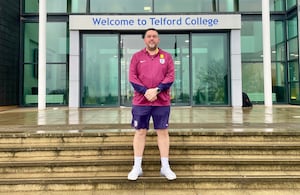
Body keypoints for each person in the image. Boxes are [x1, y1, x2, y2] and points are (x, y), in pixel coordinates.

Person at [127, 28, 176, 181]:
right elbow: (132, 77)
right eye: (149, 36)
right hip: (141, 102)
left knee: (162, 132)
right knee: (140, 132)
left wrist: (157, 90)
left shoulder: (167, 57)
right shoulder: (136, 57)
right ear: (145, 40)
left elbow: (170, 76)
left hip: (162, 102)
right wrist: (146, 92)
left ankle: (165, 167)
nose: (152, 39)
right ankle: (137, 167)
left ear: (158, 39)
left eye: (154, 36)